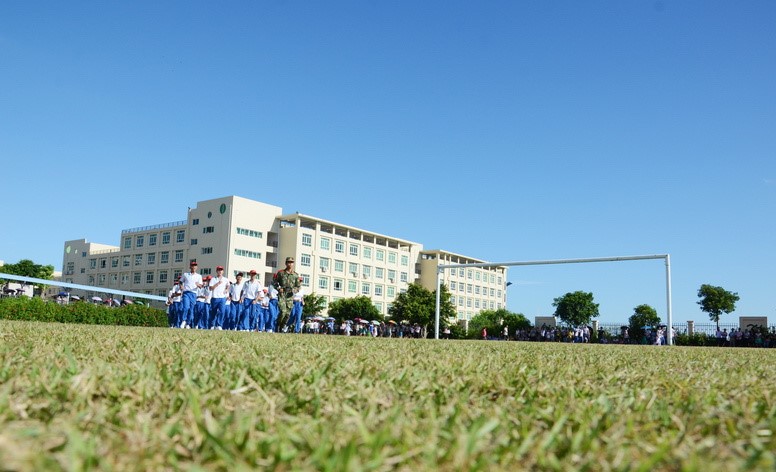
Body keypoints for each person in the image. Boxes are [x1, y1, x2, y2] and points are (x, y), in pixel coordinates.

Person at [273, 257, 301, 329]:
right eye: (288, 262)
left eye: (291, 262)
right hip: (282, 295)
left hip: (290, 296)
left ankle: (282, 327)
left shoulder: (295, 275)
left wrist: (294, 290)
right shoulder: (281, 273)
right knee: (283, 311)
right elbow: (275, 282)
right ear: (286, 263)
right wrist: (279, 288)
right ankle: (278, 325)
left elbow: (298, 286)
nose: (290, 264)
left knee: (288, 314)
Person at [179, 261, 203, 328]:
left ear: (197, 267)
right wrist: (181, 286)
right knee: (186, 307)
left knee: (191, 309)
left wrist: (198, 285)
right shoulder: (186, 274)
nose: (194, 267)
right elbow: (180, 281)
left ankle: (188, 323)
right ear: (190, 267)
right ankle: (183, 320)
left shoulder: (199, 276)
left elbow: (201, 286)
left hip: (193, 294)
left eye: (195, 266)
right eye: (192, 265)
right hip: (186, 293)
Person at [209, 266, 230, 330]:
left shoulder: (225, 279)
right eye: (218, 270)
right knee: (213, 312)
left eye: (221, 270)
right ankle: (212, 325)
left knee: (222, 311)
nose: (220, 271)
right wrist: (217, 284)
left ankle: (219, 325)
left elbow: (228, 285)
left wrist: (226, 289)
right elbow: (210, 288)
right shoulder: (213, 279)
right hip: (215, 297)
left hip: (222, 298)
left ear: (223, 271)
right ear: (216, 271)